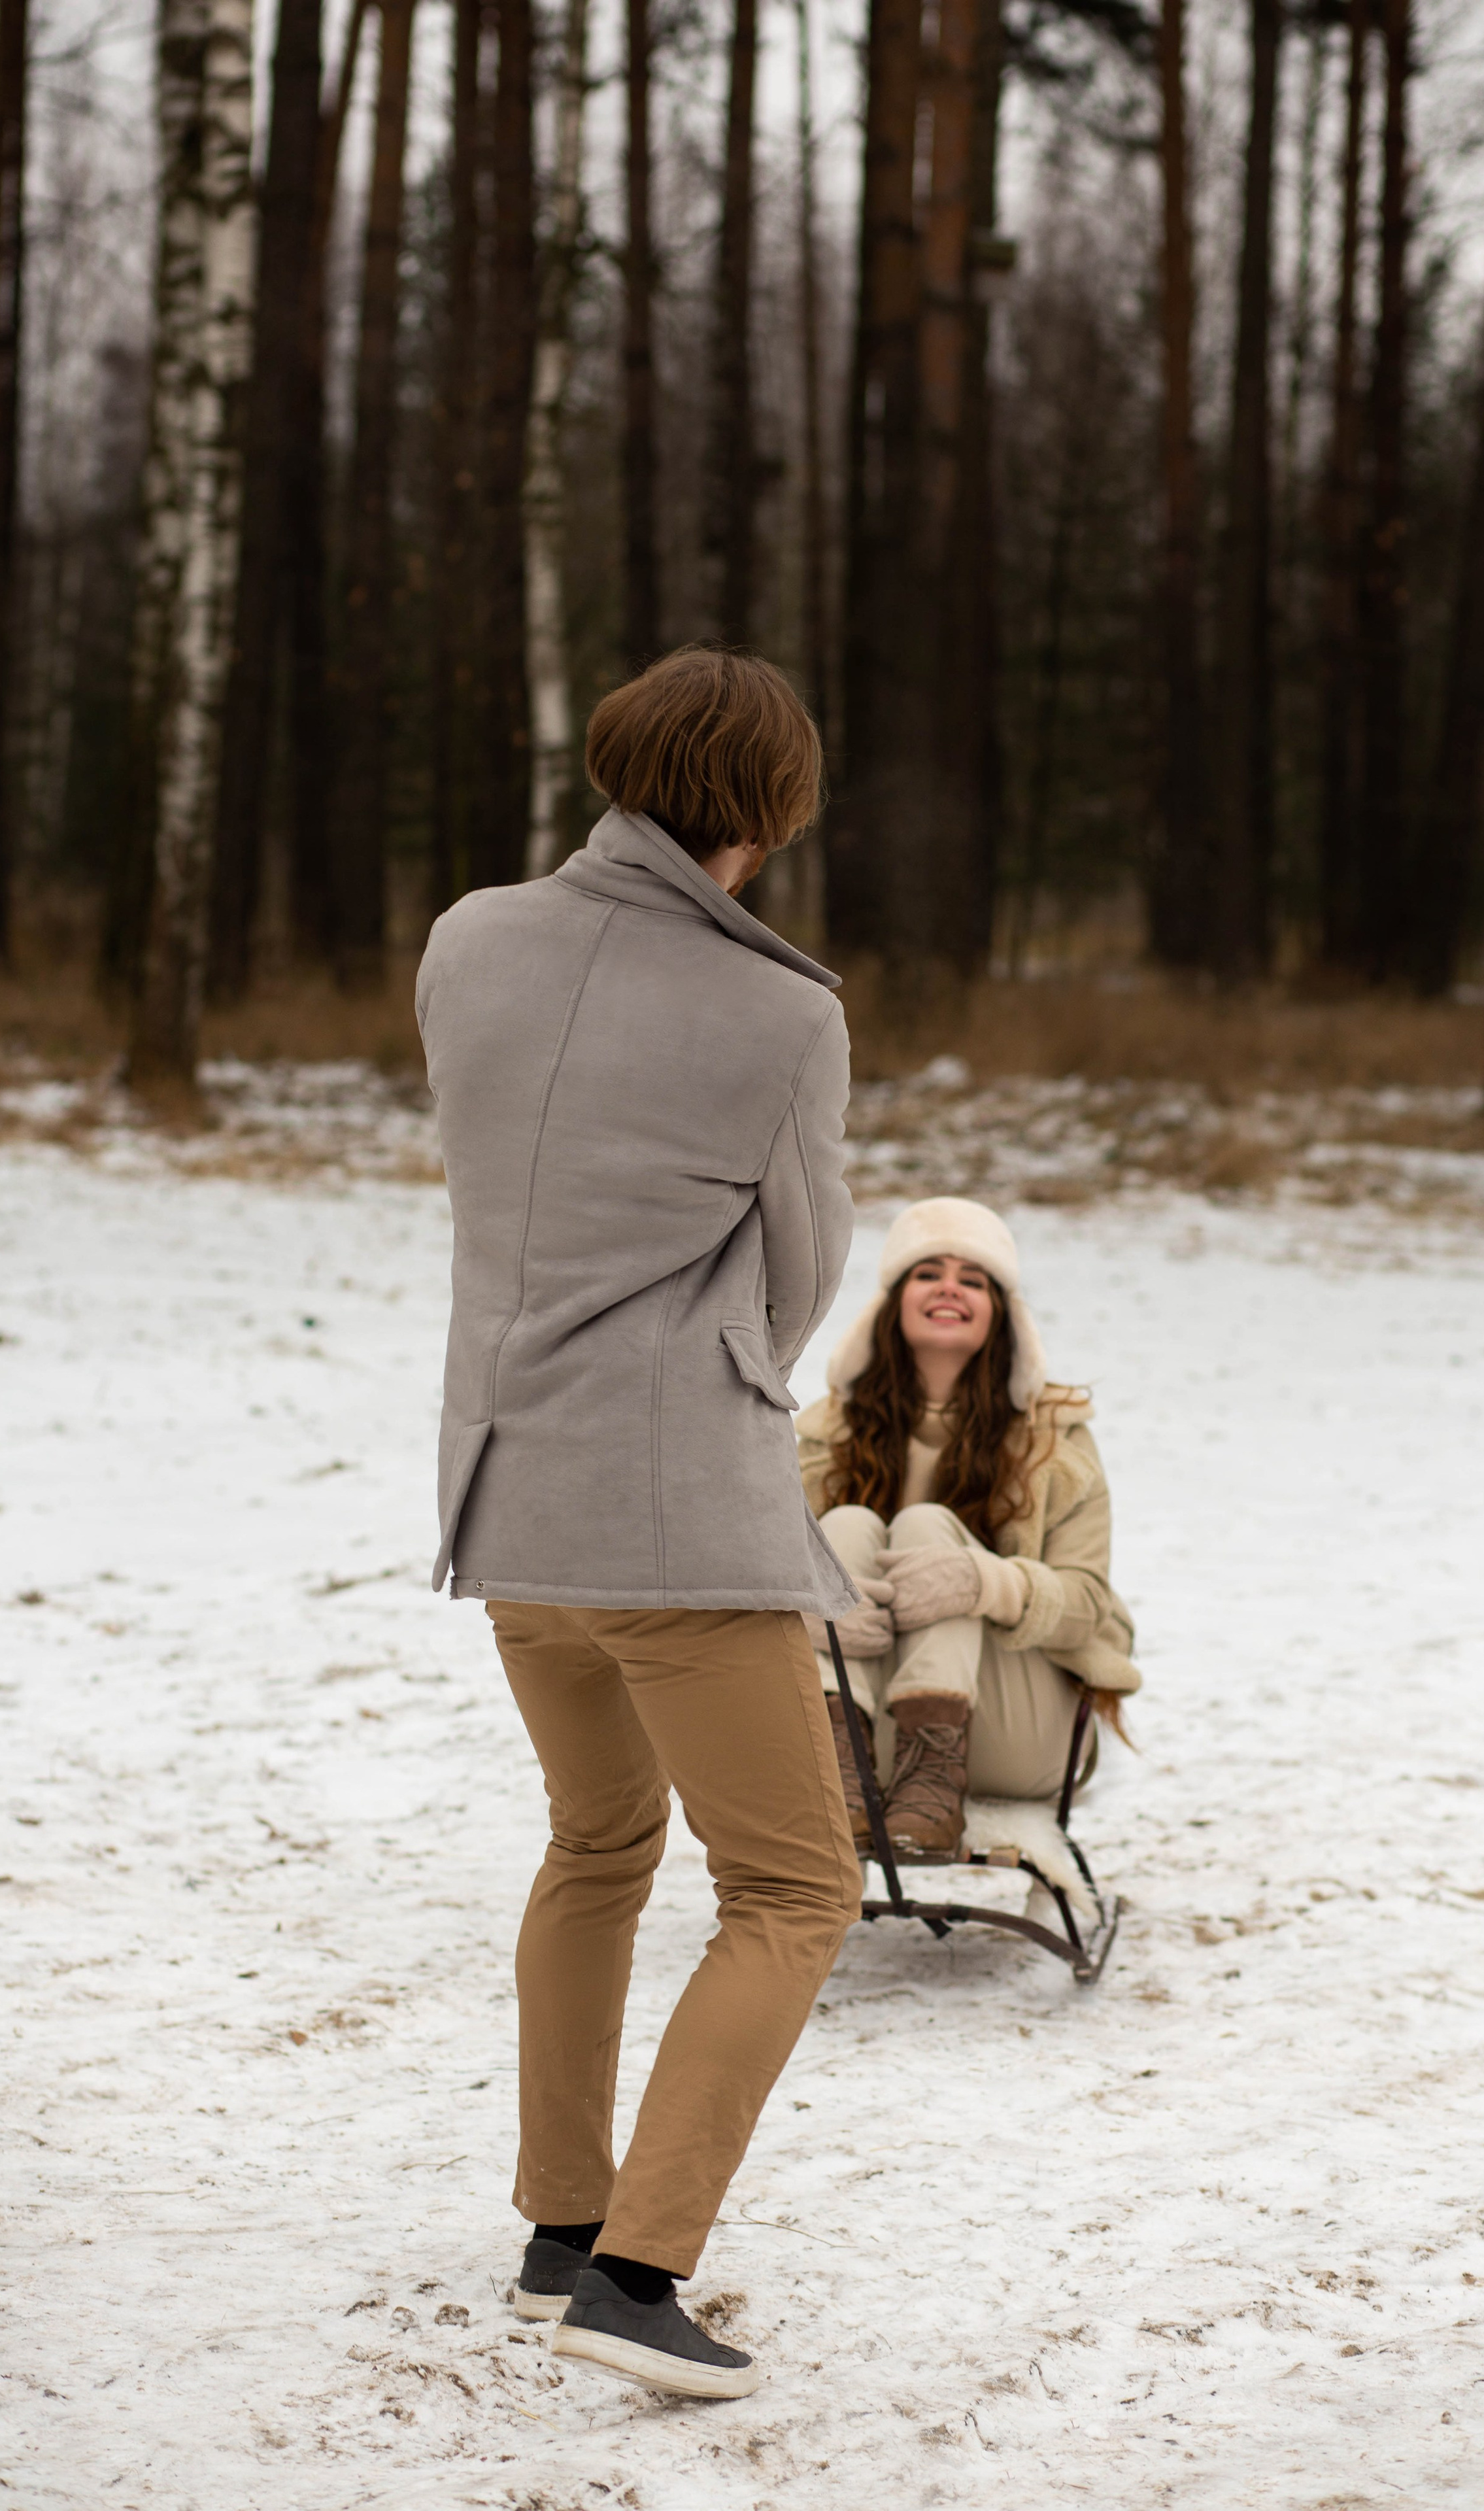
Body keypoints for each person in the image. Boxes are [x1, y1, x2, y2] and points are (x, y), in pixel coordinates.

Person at [414, 647, 860, 2402]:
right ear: (766, 814)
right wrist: (718, 1360)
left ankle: (555, 2233)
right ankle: (638, 2271)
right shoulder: (785, 1015)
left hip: (509, 1493)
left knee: (598, 1847)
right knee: (796, 1886)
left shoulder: (466, 938)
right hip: (677, 1522)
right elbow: (806, 1265)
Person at [796, 1197, 1139, 1858]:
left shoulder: (1056, 1443)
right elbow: (740, 1583)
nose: (950, 1286)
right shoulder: (820, 1440)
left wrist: (990, 1584)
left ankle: (931, 1790)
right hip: (848, 1734)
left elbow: (1094, 1610)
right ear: (891, 1305)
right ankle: (841, 1783)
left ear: (1000, 1315)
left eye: (973, 1279)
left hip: (1009, 1729)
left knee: (929, 1526)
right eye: (927, 1272)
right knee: (842, 1527)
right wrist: (805, 1613)